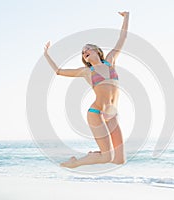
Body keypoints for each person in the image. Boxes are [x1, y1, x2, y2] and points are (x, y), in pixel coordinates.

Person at [43, 11, 129, 168]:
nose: (84, 53)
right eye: (83, 53)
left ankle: (93, 155)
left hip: (112, 115)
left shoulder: (110, 61)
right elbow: (59, 71)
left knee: (119, 160)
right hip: (96, 113)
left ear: (97, 50)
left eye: (87, 49)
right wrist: (46, 54)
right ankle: (73, 163)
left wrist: (126, 17)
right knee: (106, 157)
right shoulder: (86, 72)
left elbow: (122, 38)